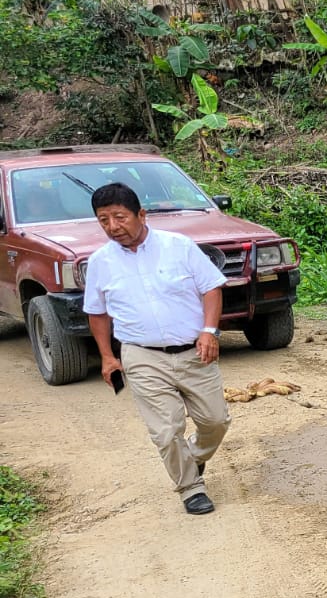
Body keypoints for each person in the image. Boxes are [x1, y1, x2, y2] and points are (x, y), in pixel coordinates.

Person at [83, 182, 230, 516]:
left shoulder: (179, 247)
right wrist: (107, 356)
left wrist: (209, 331)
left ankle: (193, 456)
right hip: (141, 355)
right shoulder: (101, 262)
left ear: (141, 214)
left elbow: (211, 288)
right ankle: (190, 488)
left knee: (216, 421)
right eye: (103, 220)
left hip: (195, 351)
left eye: (119, 217)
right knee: (166, 431)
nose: (112, 227)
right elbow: (97, 313)